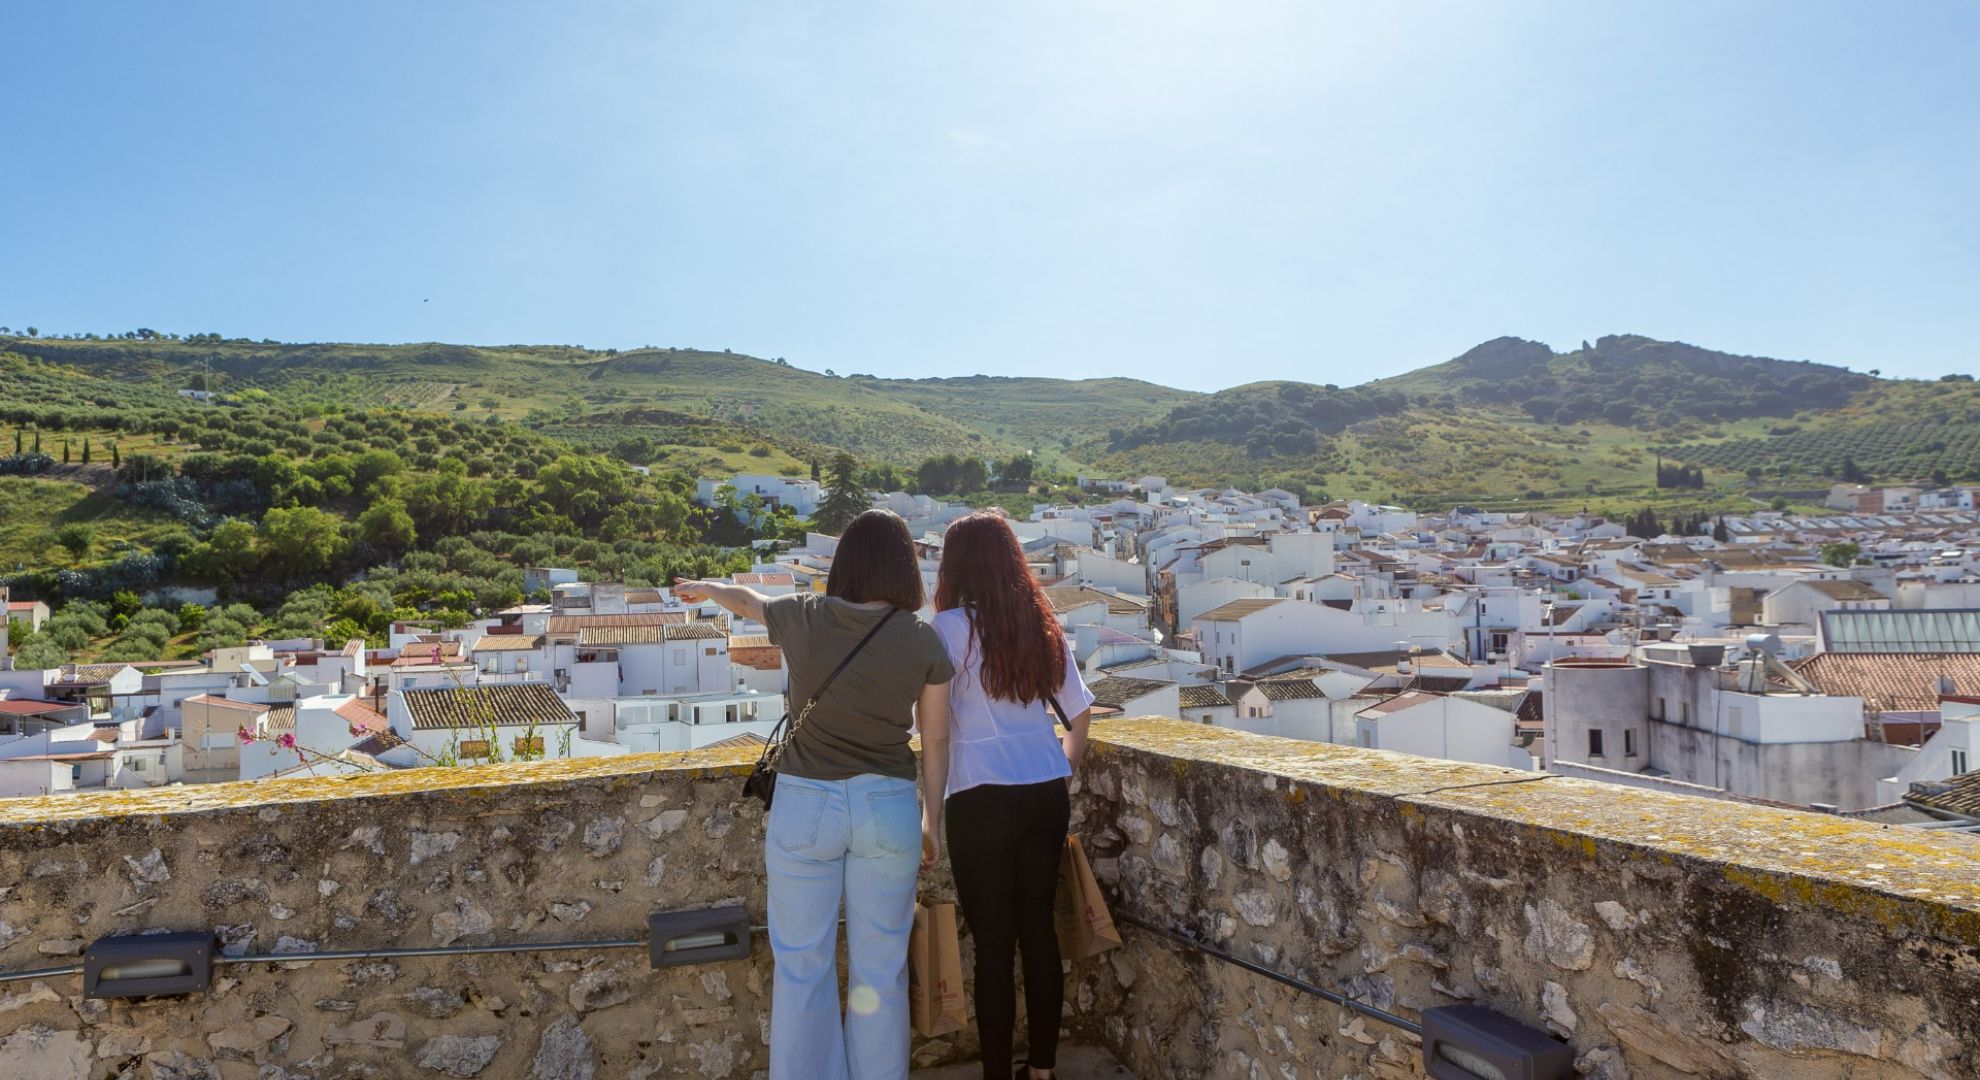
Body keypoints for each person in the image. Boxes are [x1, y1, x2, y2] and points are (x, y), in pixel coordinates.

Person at [674, 508, 954, 1080]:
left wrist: (707, 588)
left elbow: (747, 602)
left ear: (845, 562)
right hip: (887, 807)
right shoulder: (921, 638)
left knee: (804, 968)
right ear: (904, 569)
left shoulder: (805, 617)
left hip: (806, 806)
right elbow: (937, 739)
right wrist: (933, 823)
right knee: (882, 972)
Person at [930, 512, 1095, 1080]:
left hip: (980, 797)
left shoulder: (947, 630)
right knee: (1039, 931)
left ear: (955, 567)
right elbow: (1080, 715)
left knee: (994, 945)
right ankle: (1043, 1070)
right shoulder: (1039, 625)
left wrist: (931, 811)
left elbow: (928, 730)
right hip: (1043, 790)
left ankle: (998, 1073)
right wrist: (1061, 771)